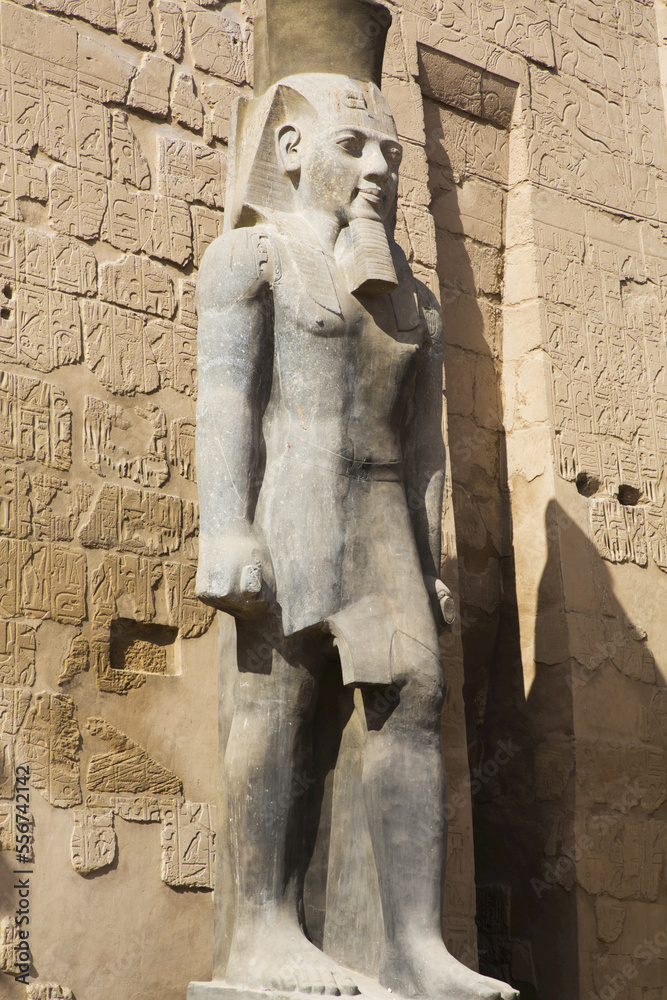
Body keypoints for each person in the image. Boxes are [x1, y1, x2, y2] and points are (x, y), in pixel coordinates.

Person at [194, 6, 517, 1000]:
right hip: (293, 499)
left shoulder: (412, 299)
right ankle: (261, 930)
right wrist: (226, 526)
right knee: (280, 699)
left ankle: (413, 942)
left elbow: (422, 443)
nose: (379, 168)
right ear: (290, 148)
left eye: (390, 153)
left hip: (381, 519)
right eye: (353, 146)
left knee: (412, 701)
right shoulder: (251, 258)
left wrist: (427, 547)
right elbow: (225, 400)